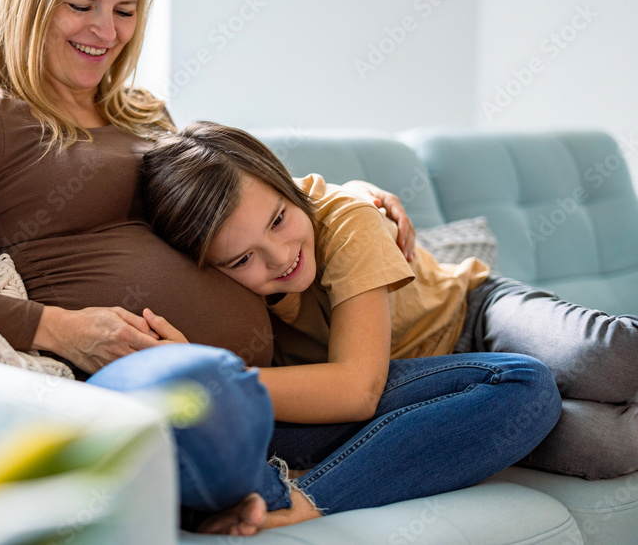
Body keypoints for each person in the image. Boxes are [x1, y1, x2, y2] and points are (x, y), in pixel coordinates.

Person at [0, 0, 560, 535]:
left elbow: (231, 206)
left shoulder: (144, 113)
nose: (105, 32)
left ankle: (298, 494)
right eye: (80, 5)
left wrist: (341, 195)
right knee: (209, 388)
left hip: (280, 383)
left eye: (125, 12)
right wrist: (58, 328)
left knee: (526, 386)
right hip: (171, 389)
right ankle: (260, 476)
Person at [141, 120, 637, 489]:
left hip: (473, 313)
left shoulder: (346, 218)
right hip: (433, 384)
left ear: (286, 183)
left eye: (277, 220)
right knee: (607, 446)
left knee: (613, 354)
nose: (280, 257)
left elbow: (357, 389)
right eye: (244, 257)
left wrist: (213, 380)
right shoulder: (224, 294)